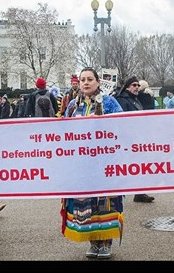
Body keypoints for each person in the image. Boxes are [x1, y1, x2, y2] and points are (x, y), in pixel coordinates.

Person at [61, 67, 124, 259]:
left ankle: (106, 242)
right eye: (82, 80)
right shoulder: (72, 105)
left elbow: (123, 124)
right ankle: (93, 242)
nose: (86, 83)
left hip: (105, 163)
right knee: (85, 202)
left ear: (98, 82)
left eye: (90, 79)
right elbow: (63, 131)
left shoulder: (109, 102)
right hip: (81, 164)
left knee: (105, 202)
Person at [116, 76, 155, 203]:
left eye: (138, 85)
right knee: (123, 167)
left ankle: (139, 192)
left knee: (139, 166)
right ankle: (118, 193)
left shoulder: (135, 99)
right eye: (134, 85)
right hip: (126, 140)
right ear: (127, 87)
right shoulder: (122, 100)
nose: (137, 87)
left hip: (137, 138)